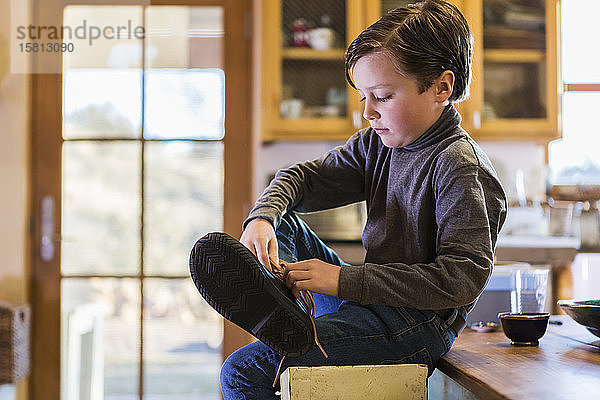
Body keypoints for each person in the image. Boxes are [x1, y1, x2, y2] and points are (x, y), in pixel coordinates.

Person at [192, 1, 507, 398]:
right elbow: (302, 178)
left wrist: (342, 280)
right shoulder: (379, 145)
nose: (369, 113)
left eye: (383, 96)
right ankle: (286, 310)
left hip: (414, 327)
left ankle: (293, 318)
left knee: (240, 372)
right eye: (364, 98)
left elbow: (460, 279)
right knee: (283, 219)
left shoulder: (460, 167)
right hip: (367, 302)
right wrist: (262, 218)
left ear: (442, 88)